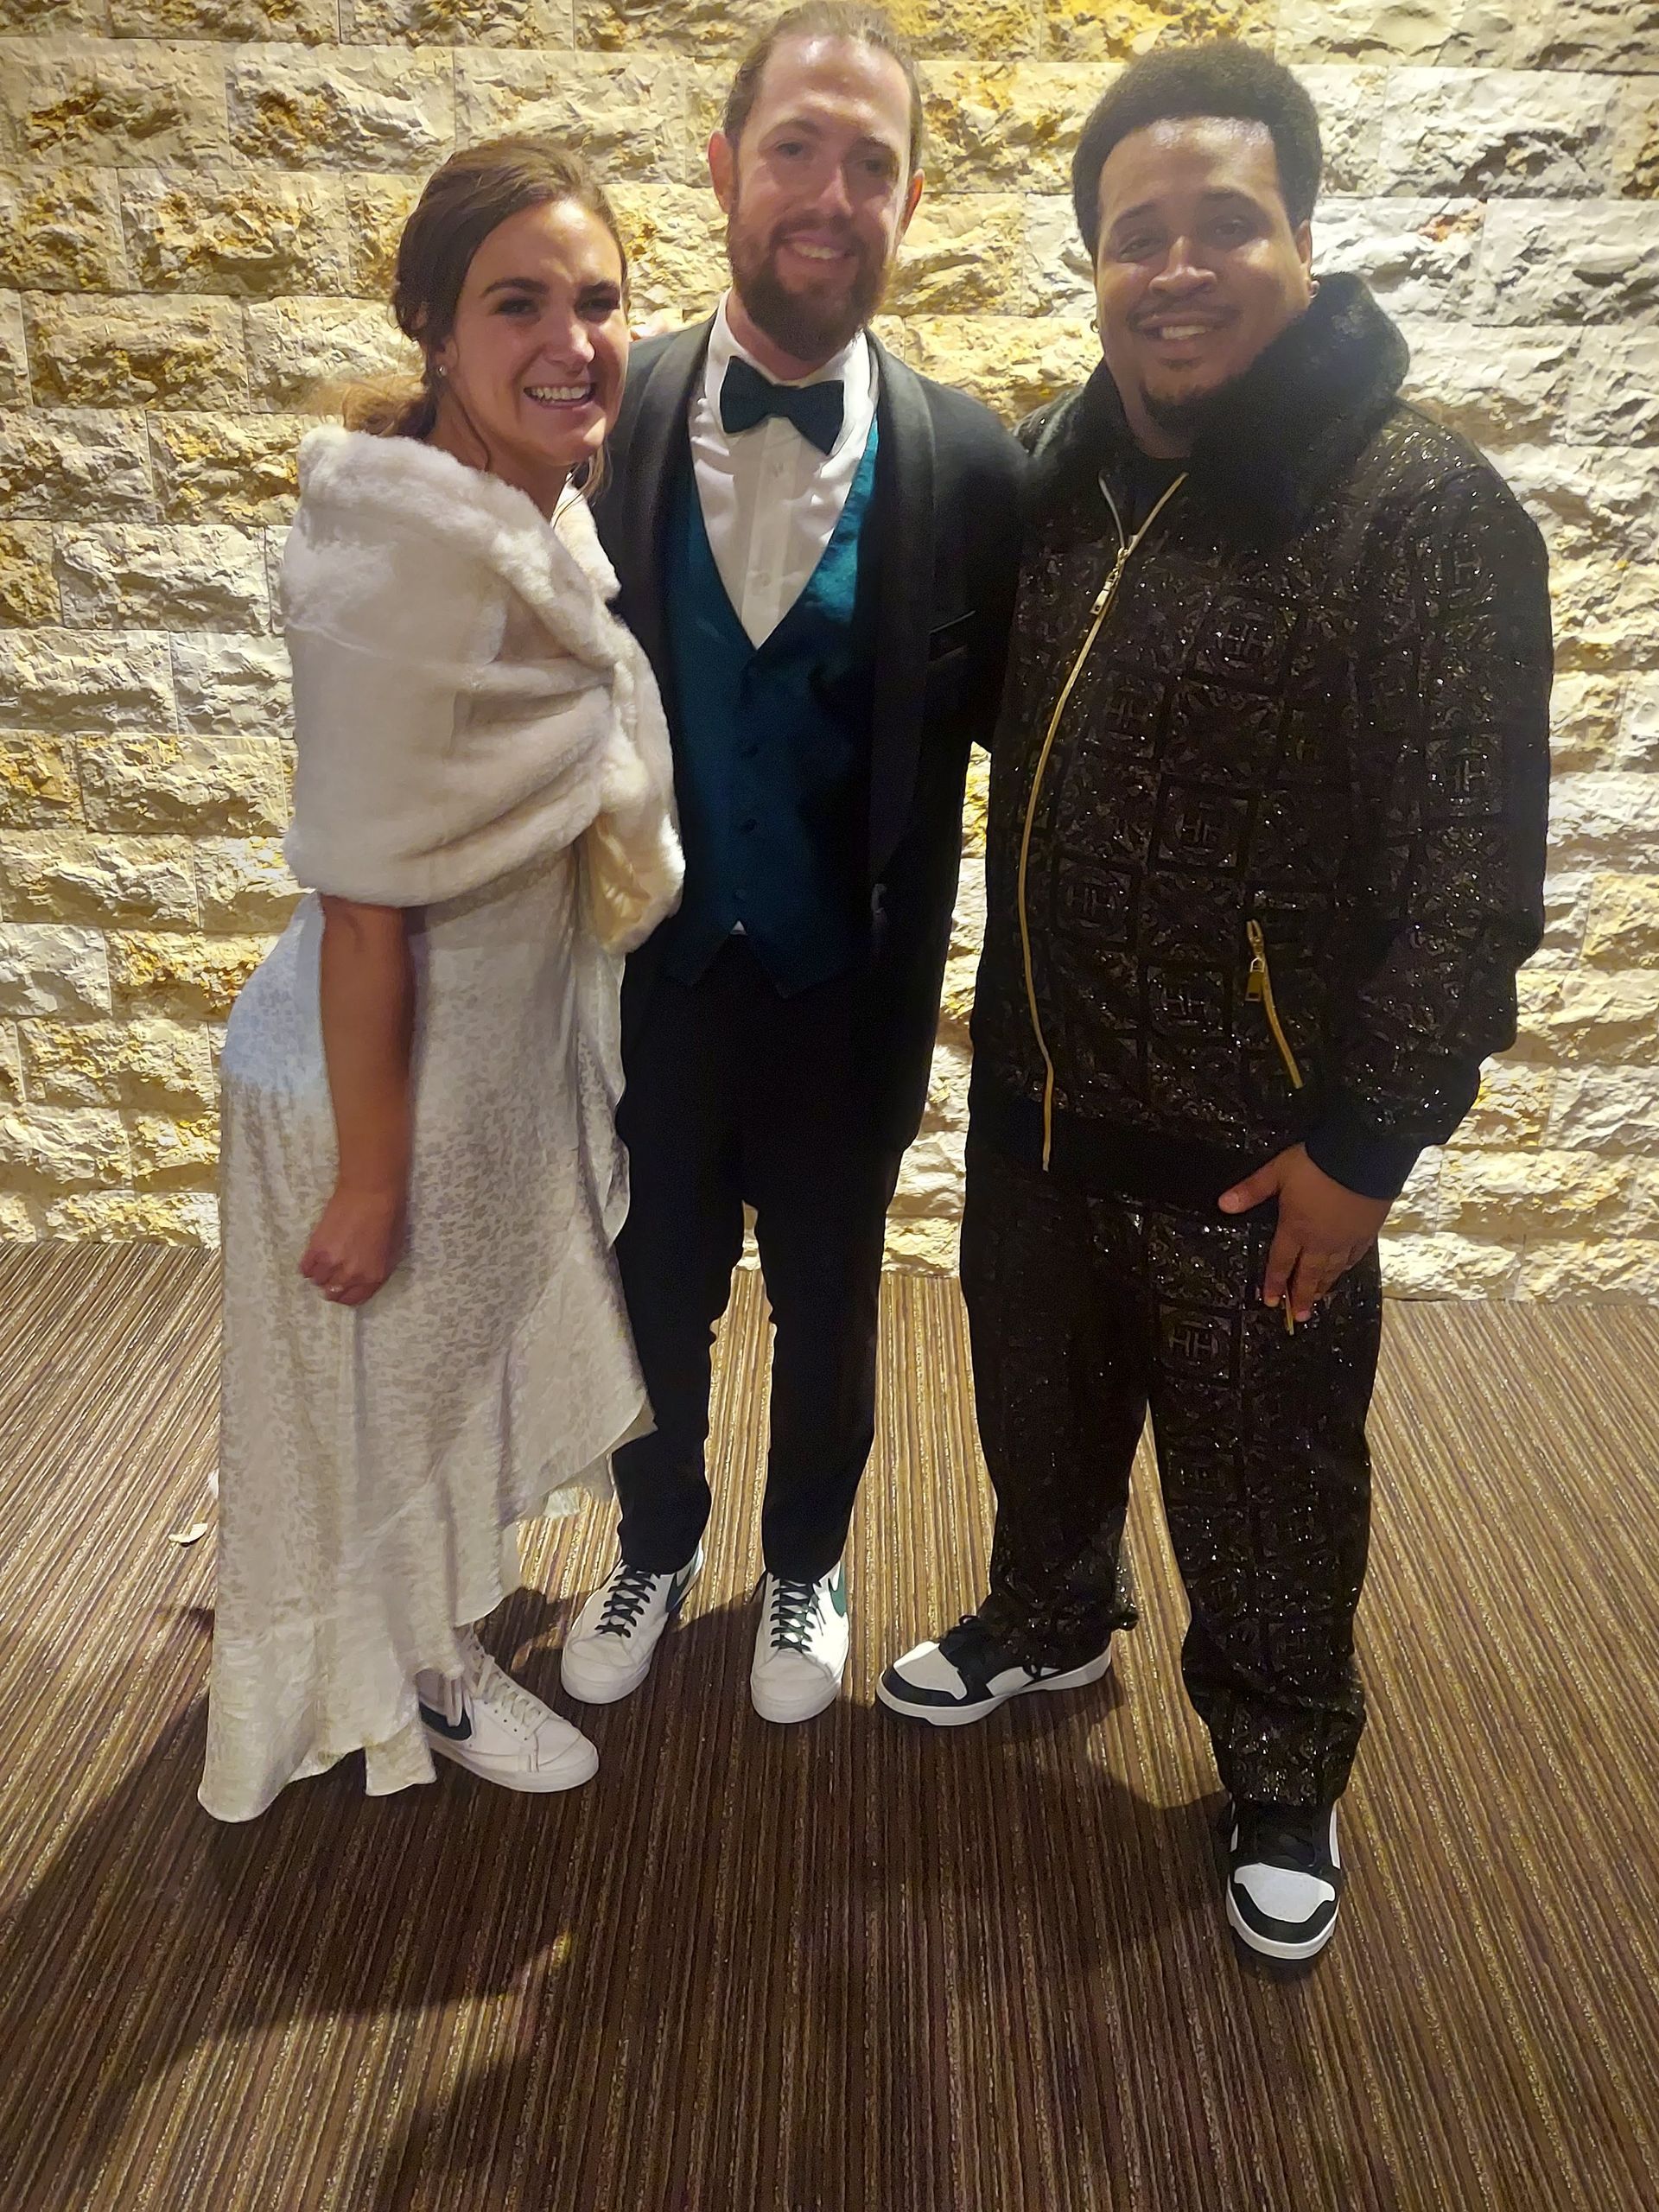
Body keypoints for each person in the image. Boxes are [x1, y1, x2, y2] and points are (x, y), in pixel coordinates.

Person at [879, 41, 1552, 1962]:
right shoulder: (1057, 477)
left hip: (1262, 1158)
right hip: (1043, 1099)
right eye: (1134, 236)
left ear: (1303, 235)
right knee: (1039, 1404)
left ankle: (1280, 1760)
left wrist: (1365, 1147)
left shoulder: (1418, 511)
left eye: (1221, 226)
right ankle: (1044, 1609)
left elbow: (1470, 879)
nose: (1176, 269)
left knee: (1268, 1483)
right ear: (1094, 259)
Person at [200, 139, 683, 1821]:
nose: (572, 338)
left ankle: (382, 1611)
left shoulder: (510, 503)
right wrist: (376, 1169)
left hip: (470, 1036)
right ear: (428, 321)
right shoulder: (408, 568)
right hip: (371, 1063)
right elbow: (360, 902)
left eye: (598, 299)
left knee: (428, 1379)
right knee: (404, 1395)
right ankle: (426, 1674)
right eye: (517, 302)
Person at [558, 3, 1024, 1726]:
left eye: (873, 163)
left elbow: (1022, 738)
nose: (832, 191)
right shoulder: (608, 426)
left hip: (849, 988)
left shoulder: (978, 463)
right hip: (652, 969)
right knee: (651, 1277)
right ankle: (657, 1533)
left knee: (831, 1295)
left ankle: (809, 1554)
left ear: (910, 201)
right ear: (723, 172)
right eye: (795, 149)